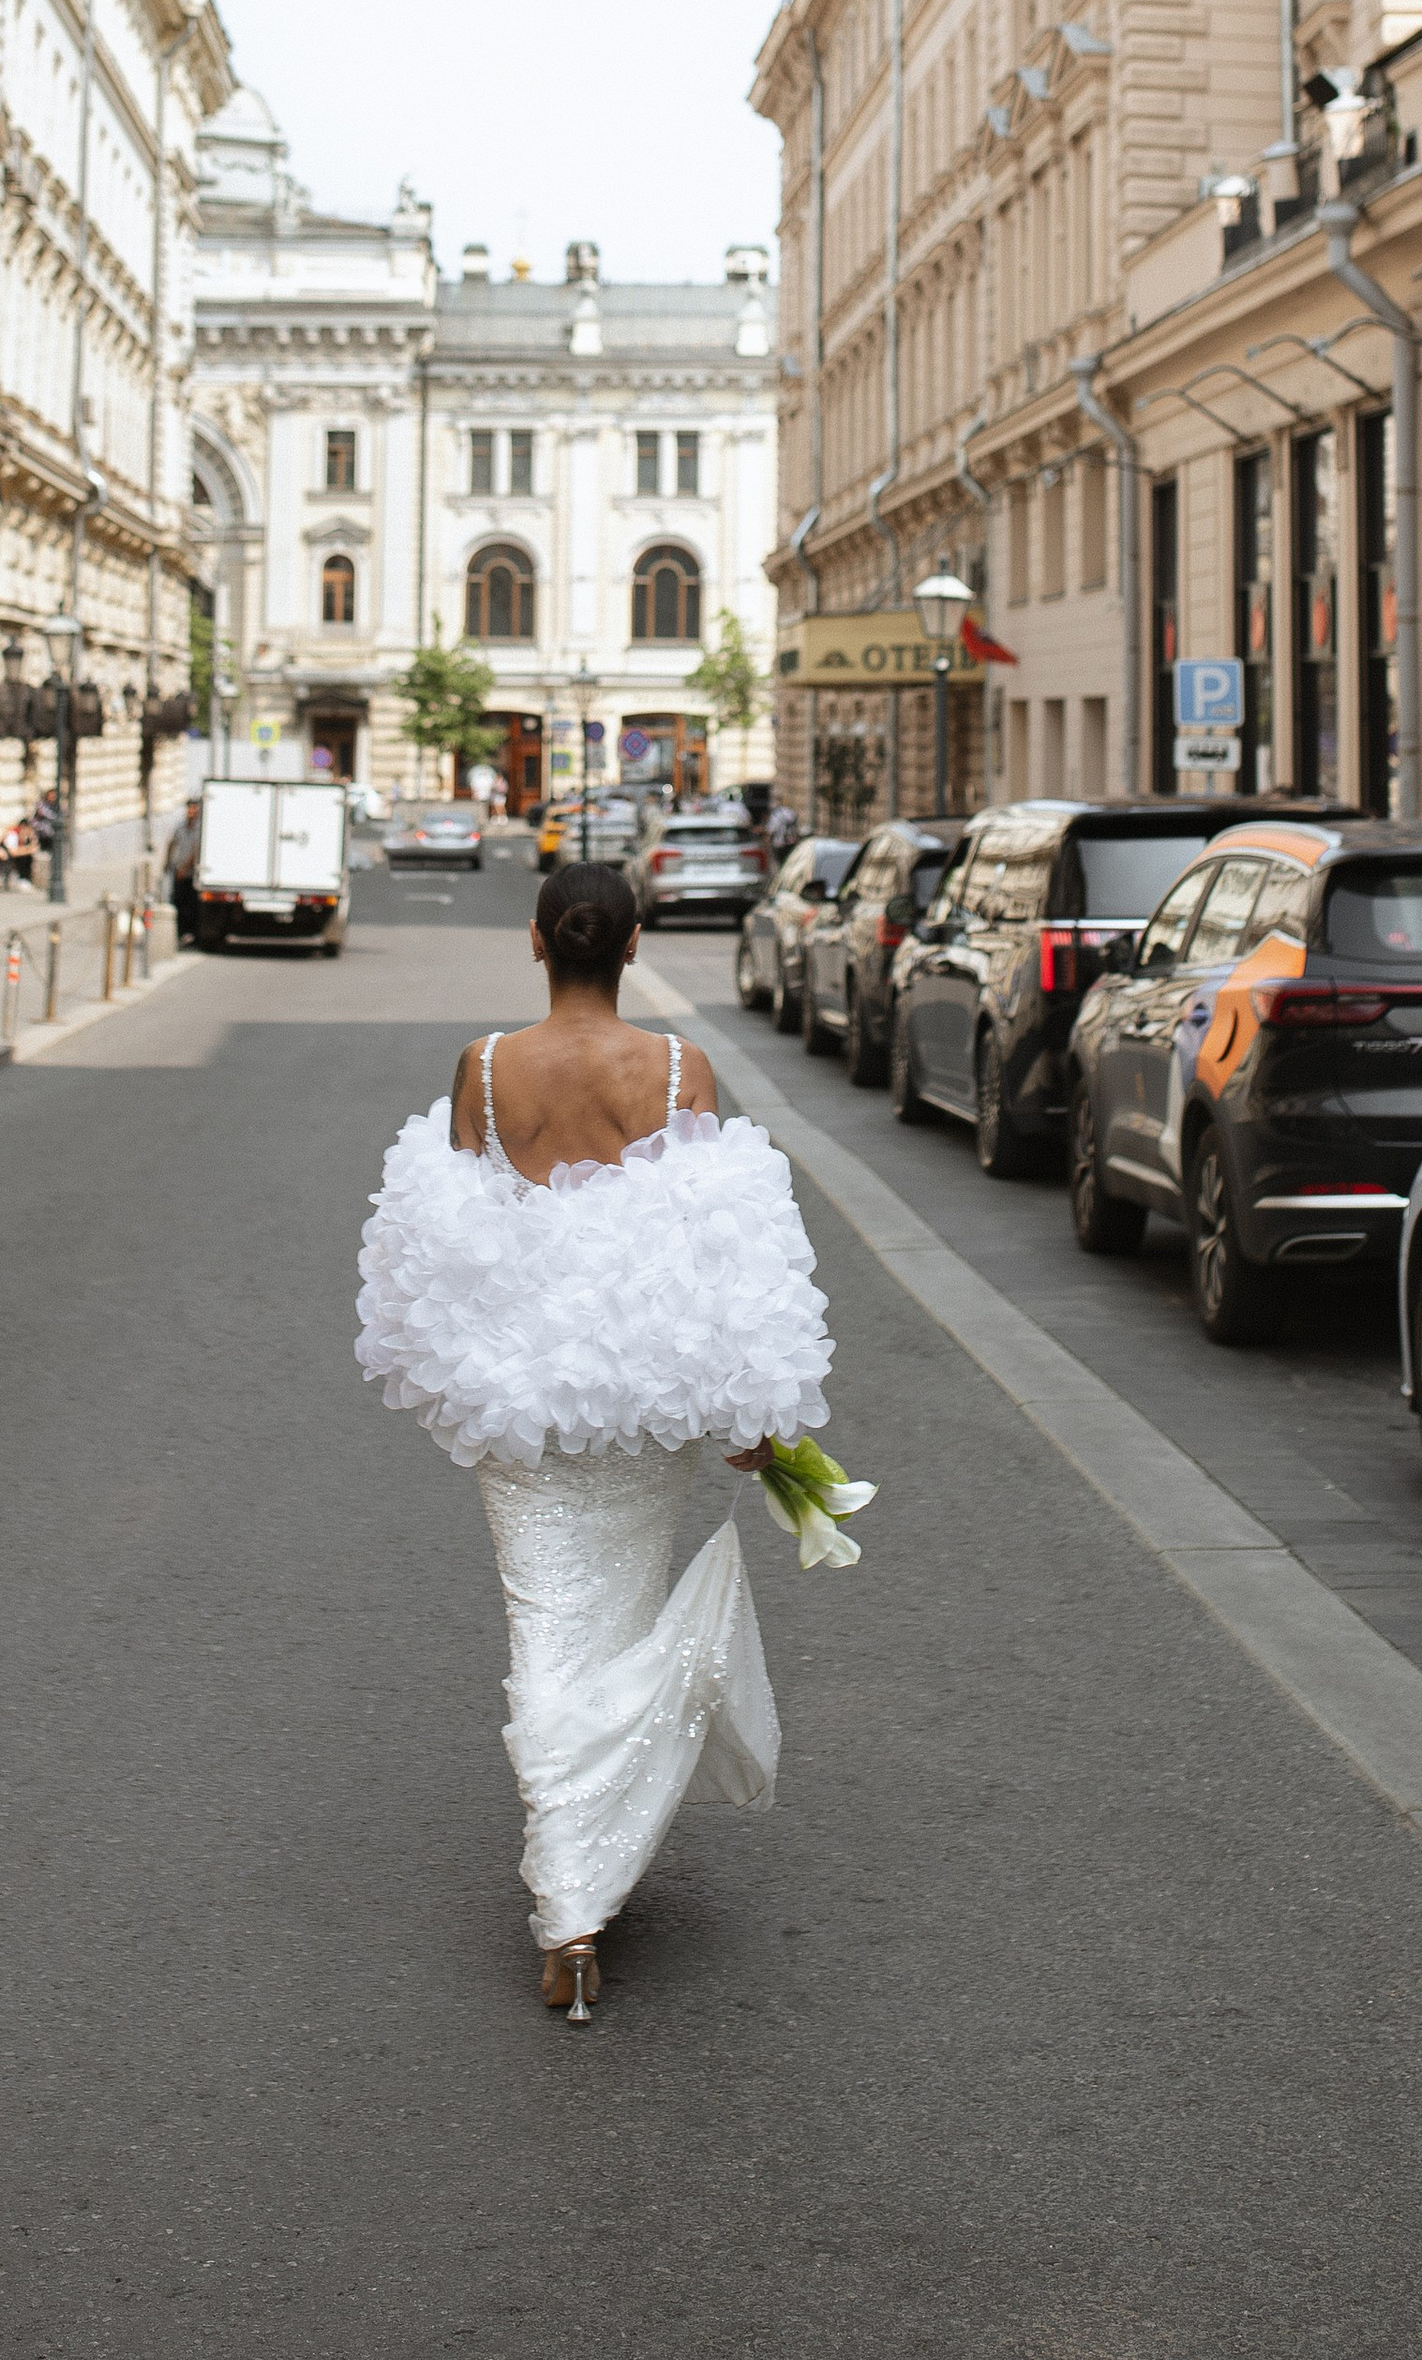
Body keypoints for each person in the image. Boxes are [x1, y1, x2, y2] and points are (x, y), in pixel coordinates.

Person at [355, 858, 834, 2022]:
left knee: (548, 1627)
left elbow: (451, 1247)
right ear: (630, 947)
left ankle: (571, 1903)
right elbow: (723, 1253)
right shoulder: (677, 1068)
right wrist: (753, 1417)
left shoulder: (481, 1068)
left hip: (521, 1408)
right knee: (619, 1620)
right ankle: (584, 1868)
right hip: (640, 1408)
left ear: (535, 943)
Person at [164, 793, 203, 950]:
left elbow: (196, 851)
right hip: (179, 871)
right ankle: (179, 934)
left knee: (192, 906)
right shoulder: (180, 825)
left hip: (192, 874)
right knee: (177, 902)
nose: (191, 811)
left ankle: (191, 935)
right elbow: (172, 844)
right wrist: (167, 863)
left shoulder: (200, 828)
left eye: (194, 808)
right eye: (189, 808)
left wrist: (185, 868)